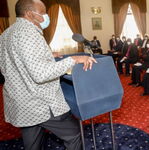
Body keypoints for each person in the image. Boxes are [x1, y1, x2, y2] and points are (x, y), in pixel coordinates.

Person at [0, 0, 98, 149]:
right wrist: (73, 59)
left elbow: (12, 63)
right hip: (40, 102)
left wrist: (47, 56)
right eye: (43, 12)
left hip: (21, 102)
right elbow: (41, 75)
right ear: (30, 14)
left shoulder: (8, 32)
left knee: (32, 143)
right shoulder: (29, 33)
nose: (46, 16)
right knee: (74, 134)